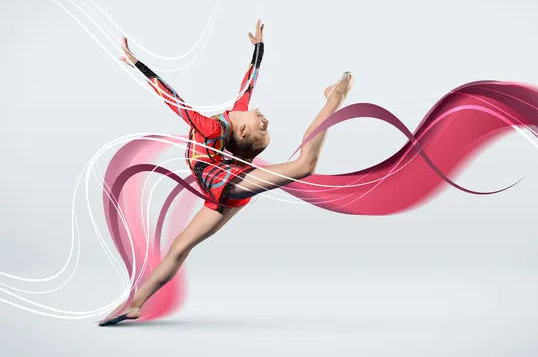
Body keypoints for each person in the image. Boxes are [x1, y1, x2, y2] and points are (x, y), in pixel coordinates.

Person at [99, 19, 353, 326]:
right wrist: (259, 48)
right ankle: (136, 304)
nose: (265, 118)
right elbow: (249, 82)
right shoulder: (237, 114)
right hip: (220, 189)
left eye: (262, 125)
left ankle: (334, 98)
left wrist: (138, 63)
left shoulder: (213, 127)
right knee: (179, 247)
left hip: (225, 183)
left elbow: (173, 100)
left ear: (242, 129)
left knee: (304, 166)